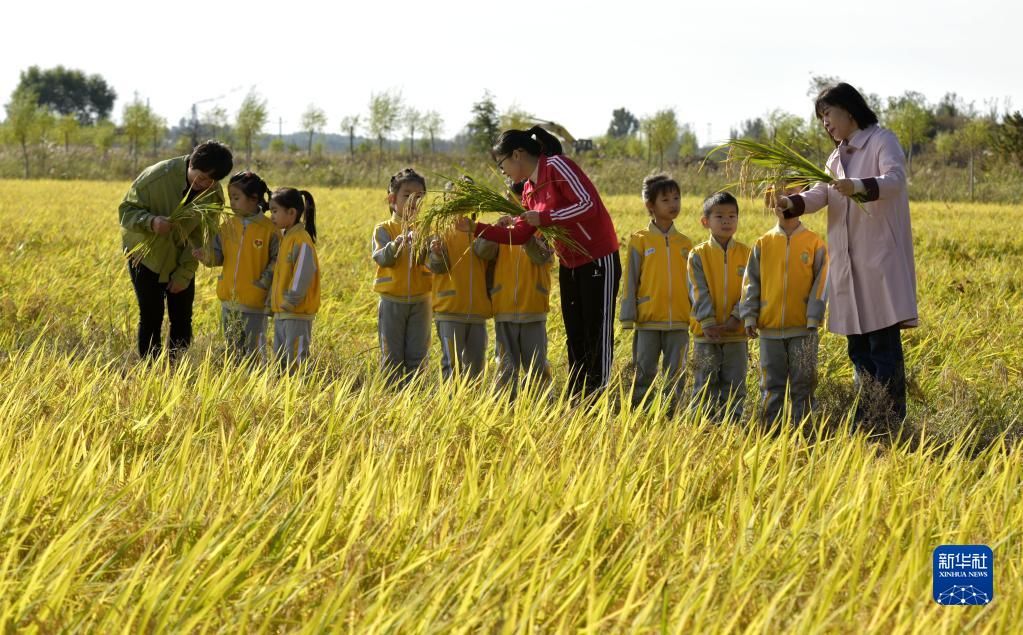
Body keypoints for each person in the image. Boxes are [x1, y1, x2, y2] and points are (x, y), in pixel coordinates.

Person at [775, 82, 918, 423]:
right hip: (849, 265)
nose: (825, 123)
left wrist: (856, 187)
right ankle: (868, 416)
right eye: (821, 118)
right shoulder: (836, 157)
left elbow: (895, 180)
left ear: (849, 109)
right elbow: (821, 193)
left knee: (883, 346)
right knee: (858, 349)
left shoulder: (882, 140)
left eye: (828, 114)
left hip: (878, 261)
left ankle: (890, 419)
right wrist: (791, 204)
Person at [472, 126, 621, 397]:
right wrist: (474, 228)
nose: (502, 169)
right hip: (570, 263)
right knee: (575, 332)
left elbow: (588, 204)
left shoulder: (557, 167)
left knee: (596, 331)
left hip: (598, 258)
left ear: (517, 154)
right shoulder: (529, 190)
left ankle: (598, 396)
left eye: (501, 162)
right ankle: (578, 395)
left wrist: (545, 218)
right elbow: (519, 235)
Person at [119, 140, 233, 360]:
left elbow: (200, 239)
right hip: (145, 256)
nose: (203, 183)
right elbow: (126, 211)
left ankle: (177, 368)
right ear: (191, 163)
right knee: (151, 316)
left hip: (182, 258)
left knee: (181, 318)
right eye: (200, 176)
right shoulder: (157, 177)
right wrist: (151, 222)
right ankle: (150, 370)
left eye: (211, 180)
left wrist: (184, 274)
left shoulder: (213, 195)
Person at [740, 190, 828, 423]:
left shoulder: (815, 242)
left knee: (804, 384)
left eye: (792, 194)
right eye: (779, 195)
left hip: (803, 329)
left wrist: (814, 317)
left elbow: (822, 283)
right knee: (770, 385)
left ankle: (804, 431)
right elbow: (751, 282)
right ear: (770, 202)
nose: (783, 200)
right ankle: (771, 432)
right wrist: (749, 316)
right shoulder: (763, 243)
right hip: (769, 330)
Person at [619, 174, 693, 409]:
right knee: (643, 371)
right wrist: (628, 314)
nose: (673, 204)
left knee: (676, 374)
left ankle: (672, 412)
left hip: (680, 321)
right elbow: (630, 279)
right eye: (666, 199)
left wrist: (696, 314)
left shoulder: (686, 243)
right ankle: (639, 410)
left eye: (676, 198)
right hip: (648, 319)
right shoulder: (639, 240)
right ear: (650, 206)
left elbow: (694, 284)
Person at [193, 171, 278, 358]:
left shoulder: (270, 230)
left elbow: (277, 261)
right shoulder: (228, 226)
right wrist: (205, 256)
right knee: (232, 352)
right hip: (229, 302)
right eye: (231, 197)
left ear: (254, 199)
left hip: (255, 303)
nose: (232, 203)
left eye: (236, 198)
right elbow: (218, 256)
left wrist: (262, 283)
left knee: (254, 353)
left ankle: (256, 385)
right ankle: (236, 384)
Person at [688, 192, 751, 420]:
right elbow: (697, 289)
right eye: (720, 216)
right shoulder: (698, 255)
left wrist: (737, 316)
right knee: (704, 384)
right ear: (705, 221)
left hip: (736, 334)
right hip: (706, 335)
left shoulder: (747, 253)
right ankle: (701, 428)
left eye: (732, 216)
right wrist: (707, 322)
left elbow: (750, 289)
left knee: (735, 385)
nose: (727, 221)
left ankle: (732, 427)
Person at [372, 168, 433, 386]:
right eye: (407, 195)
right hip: (392, 302)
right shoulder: (384, 229)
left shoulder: (427, 229)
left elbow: (433, 263)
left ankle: (415, 398)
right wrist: (398, 243)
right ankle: (391, 398)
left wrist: (430, 247)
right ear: (392, 199)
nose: (413, 202)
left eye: (419, 197)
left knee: (418, 355)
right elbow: (381, 258)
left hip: (421, 301)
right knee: (391, 356)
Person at [268, 188, 319, 370]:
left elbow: (303, 273)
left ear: (291, 212)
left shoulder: (301, 239)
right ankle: (283, 394)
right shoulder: (286, 238)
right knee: (280, 360)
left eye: (275, 211)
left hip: (295, 311)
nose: (271, 215)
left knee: (296, 360)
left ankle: (299, 394)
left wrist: (290, 300)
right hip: (283, 311)